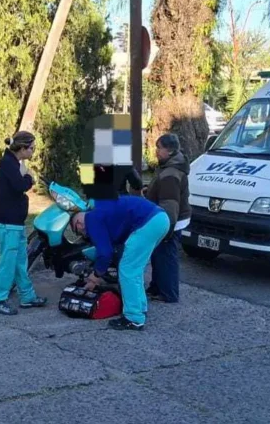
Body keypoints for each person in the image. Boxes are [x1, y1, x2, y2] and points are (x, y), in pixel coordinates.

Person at [72, 195, 169, 331]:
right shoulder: (101, 210)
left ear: (78, 224)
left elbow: (105, 253)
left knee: (127, 270)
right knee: (135, 269)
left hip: (147, 222)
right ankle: (140, 307)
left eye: (78, 232)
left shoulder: (91, 219)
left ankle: (133, 319)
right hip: (160, 218)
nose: (83, 234)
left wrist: (95, 276)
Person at [0, 131, 47, 316]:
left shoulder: (13, 163)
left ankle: (27, 297)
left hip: (15, 223)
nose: (33, 151)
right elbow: (20, 186)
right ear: (22, 148)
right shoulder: (8, 164)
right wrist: (29, 178)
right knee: (7, 264)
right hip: (6, 224)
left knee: (20, 262)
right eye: (31, 148)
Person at [145, 134, 190, 304]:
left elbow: (170, 204)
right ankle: (157, 288)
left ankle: (169, 293)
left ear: (169, 150)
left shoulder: (171, 173)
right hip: (170, 219)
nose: (156, 151)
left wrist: (167, 230)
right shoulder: (169, 167)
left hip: (171, 222)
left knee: (166, 257)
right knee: (159, 255)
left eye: (159, 148)